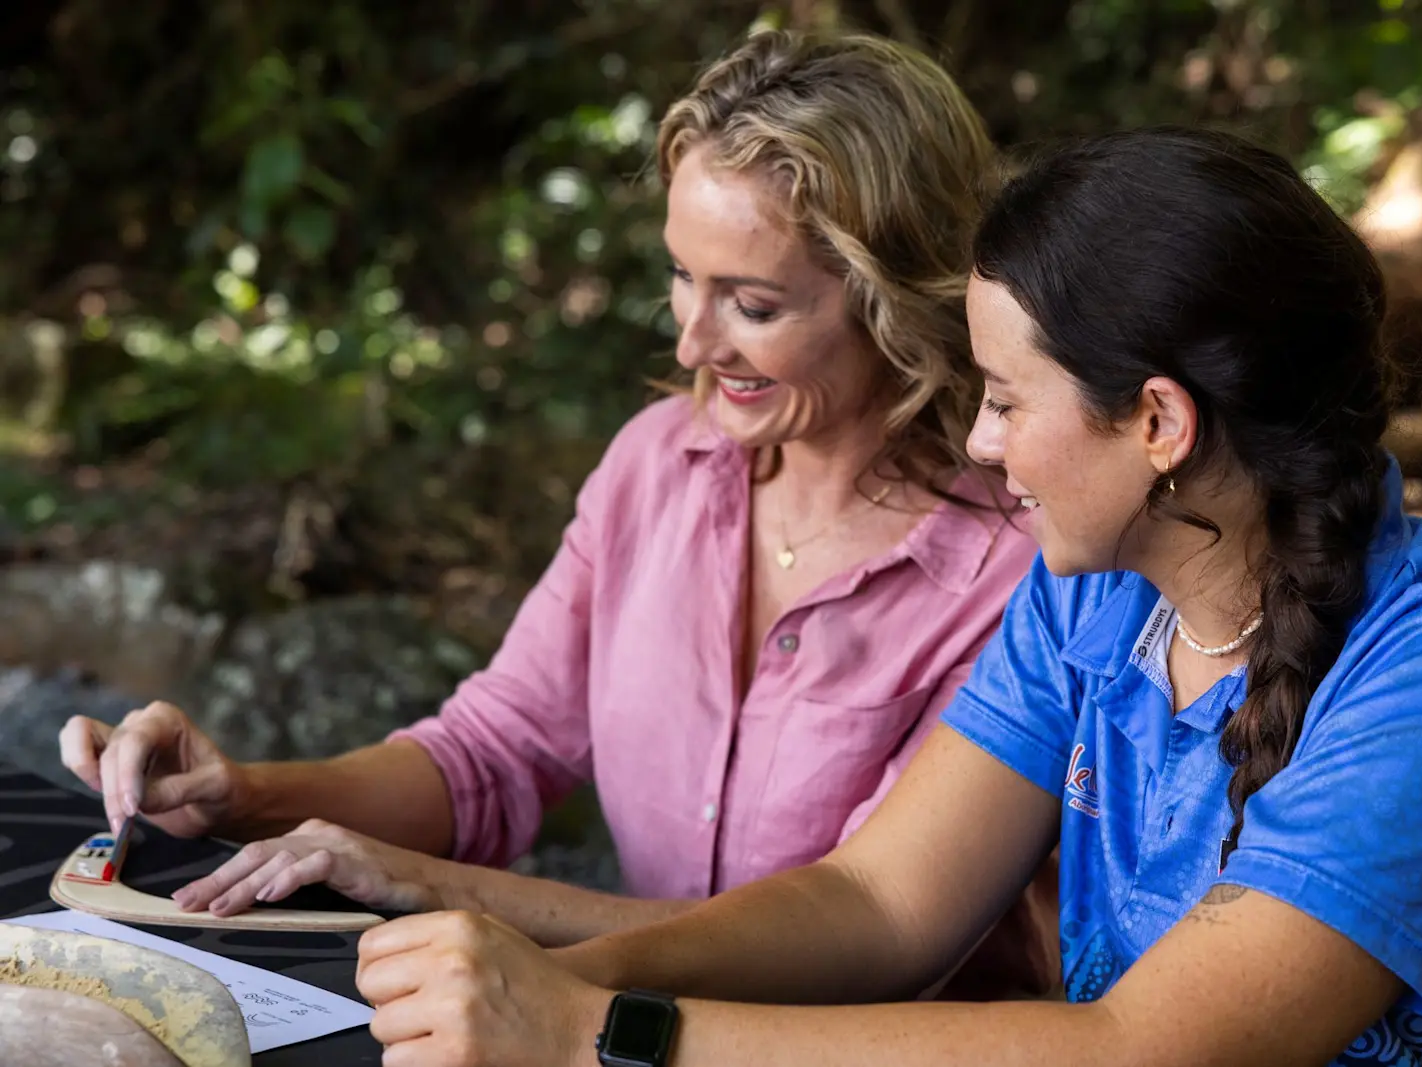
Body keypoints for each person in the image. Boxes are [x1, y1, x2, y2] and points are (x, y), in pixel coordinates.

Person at [343, 125, 1422, 1067]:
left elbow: (1135, 1050)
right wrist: (557, 971)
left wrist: (596, 1029)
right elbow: (878, 899)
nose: (981, 446)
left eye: (1003, 400)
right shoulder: (1099, 596)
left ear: (1157, 420)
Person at [58, 30, 1053, 994]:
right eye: (680, 277)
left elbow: (853, 928)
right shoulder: (658, 466)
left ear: (895, 297)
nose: (694, 345)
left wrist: (443, 893)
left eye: (751, 305)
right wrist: (248, 793)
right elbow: (495, 751)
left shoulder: (1020, 567)